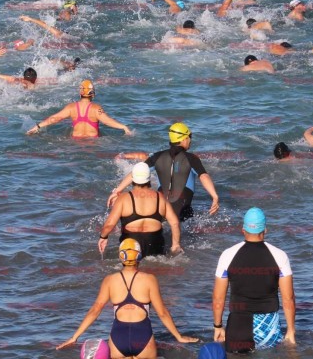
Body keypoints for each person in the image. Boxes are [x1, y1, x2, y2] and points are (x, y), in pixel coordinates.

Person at [56, 238, 199, 358]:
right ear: (139, 256)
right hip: (144, 338)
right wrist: (178, 337)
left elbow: (95, 310)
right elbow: (162, 312)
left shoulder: (110, 280)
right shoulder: (149, 279)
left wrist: (75, 337)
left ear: (121, 257)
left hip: (119, 338)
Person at [212, 207, 296, 352]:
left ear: (243, 229)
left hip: (238, 326)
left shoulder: (227, 255)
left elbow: (218, 298)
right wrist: (291, 330)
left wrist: (218, 326)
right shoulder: (280, 255)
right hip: (267, 326)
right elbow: (288, 298)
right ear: (265, 230)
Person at [108, 122, 220, 221]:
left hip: (158, 207)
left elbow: (136, 173)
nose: (190, 140)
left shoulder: (157, 156)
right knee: (186, 229)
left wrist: (117, 190)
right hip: (181, 211)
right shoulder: (191, 158)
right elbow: (204, 176)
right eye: (190, 137)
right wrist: (214, 196)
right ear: (184, 139)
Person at [98, 162, 182, 258]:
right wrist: (176, 244)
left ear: (132, 178)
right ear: (149, 178)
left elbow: (109, 225)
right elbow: (175, 223)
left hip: (131, 245)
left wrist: (103, 237)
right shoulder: (160, 197)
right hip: (155, 244)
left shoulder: (124, 198)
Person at [26, 80, 133, 137]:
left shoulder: (71, 107)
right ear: (93, 94)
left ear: (80, 93)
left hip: (75, 143)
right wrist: (123, 127)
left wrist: (38, 126)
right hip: (93, 144)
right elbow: (107, 121)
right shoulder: (96, 108)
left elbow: (55, 118)